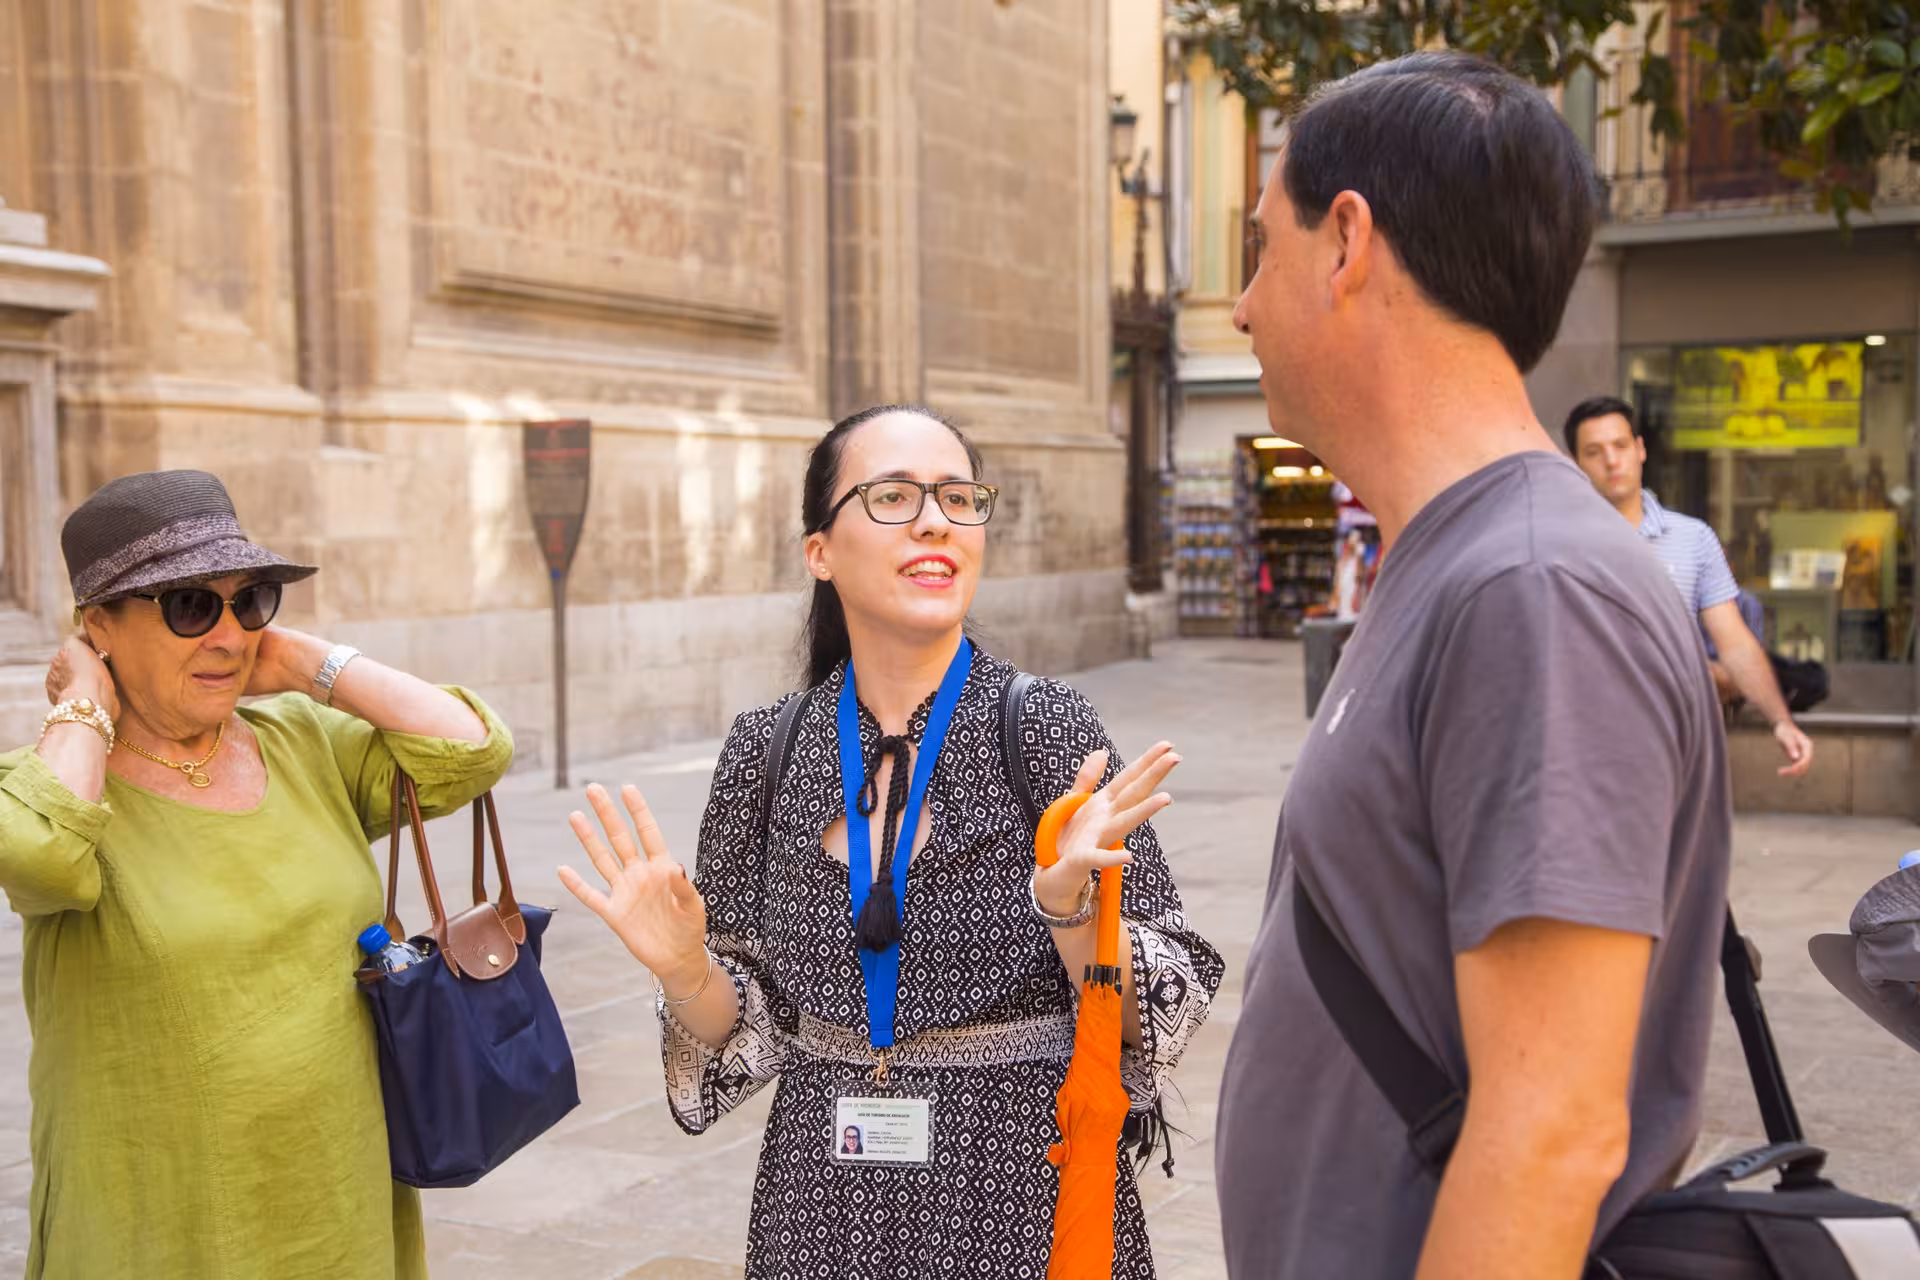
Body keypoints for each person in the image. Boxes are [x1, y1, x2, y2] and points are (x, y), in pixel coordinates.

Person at [1214, 54, 1732, 1279]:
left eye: (1259, 247)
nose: (1240, 306)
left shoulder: (1533, 586)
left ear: (1346, 241)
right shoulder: (1466, 561)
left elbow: (1551, 1129)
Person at [559, 405, 1222, 1279]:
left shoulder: (1045, 727)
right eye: (893, 496)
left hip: (1017, 1192)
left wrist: (1071, 908)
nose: (935, 519)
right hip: (818, 1208)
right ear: (820, 552)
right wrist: (687, 971)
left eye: (957, 496)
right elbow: (751, 1027)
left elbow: (1164, 1009)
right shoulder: (769, 748)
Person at [0, 470, 514, 1278]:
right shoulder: (52, 790)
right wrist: (85, 706)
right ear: (99, 624)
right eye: (191, 606)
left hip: (333, 1194)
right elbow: (40, 858)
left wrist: (308, 661)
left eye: (251, 601)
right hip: (162, 1216)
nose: (230, 635)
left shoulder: (302, 740)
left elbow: (473, 749)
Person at [1565, 395, 1815, 776]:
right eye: (1594, 452)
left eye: (1620, 445)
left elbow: (1735, 642)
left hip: (1673, 744)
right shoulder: (1562, 544)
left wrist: (1780, 720)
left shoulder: (1693, 539)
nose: (1612, 461)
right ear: (1576, 464)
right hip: (1584, 747)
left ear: (1640, 449)